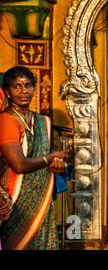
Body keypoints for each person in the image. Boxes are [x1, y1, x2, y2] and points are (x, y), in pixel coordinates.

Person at [0, 66, 68, 250]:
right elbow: (19, 164)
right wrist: (50, 157)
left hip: (43, 200)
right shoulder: (6, 120)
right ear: (7, 91)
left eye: (28, 85)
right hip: (16, 202)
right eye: (17, 86)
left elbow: (45, 156)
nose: (24, 91)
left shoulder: (42, 121)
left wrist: (57, 164)